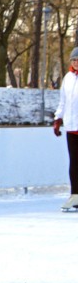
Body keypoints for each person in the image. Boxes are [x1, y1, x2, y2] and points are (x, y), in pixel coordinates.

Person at [53, 47, 78, 211]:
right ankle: (75, 195)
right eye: (73, 60)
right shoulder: (68, 78)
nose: (76, 62)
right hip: (72, 127)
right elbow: (63, 101)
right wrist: (58, 119)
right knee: (74, 164)